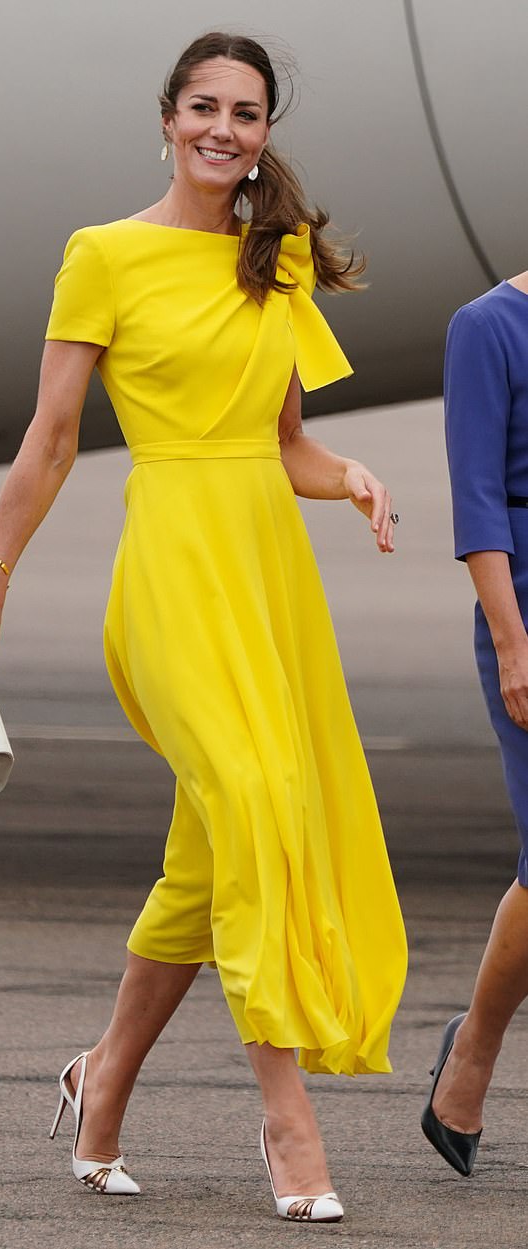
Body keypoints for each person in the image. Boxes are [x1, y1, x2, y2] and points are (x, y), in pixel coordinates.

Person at [0, 32, 407, 1223]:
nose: (222, 129)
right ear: (166, 117)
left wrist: (346, 472)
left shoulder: (278, 257)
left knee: (210, 855)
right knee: (254, 799)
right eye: (203, 106)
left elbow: (283, 440)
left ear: (262, 134)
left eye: (245, 113)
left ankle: (100, 1088)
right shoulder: (102, 255)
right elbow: (49, 440)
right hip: (170, 577)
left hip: (266, 578)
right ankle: (285, 1115)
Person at [423, 270, 528, 1176]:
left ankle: (472, 1052)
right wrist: (512, 641)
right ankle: (478, 1047)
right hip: (525, 604)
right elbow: (479, 500)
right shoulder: (487, 327)